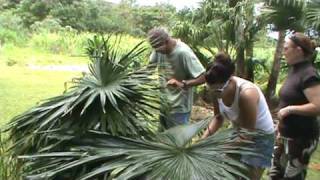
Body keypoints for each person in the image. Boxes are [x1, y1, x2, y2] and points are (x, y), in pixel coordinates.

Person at [202, 52, 275, 180]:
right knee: (229, 173)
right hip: (238, 130)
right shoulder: (216, 89)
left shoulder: (247, 94)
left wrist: (218, 148)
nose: (215, 95)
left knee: (248, 175)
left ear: (229, 81)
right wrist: (203, 141)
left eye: (218, 91)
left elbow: (247, 134)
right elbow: (218, 118)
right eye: (211, 90)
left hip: (259, 136)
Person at [269, 32, 320, 180]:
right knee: (275, 175)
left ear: (298, 50)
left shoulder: (309, 74)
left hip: (301, 138)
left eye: (286, 48)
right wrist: (280, 127)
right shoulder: (295, 71)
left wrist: (290, 110)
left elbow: (317, 106)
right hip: (286, 136)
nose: (283, 52)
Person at [147, 27, 206, 129]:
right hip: (164, 106)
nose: (157, 52)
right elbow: (149, 70)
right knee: (162, 141)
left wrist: (182, 84)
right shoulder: (158, 50)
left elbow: (203, 77)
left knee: (177, 143)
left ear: (166, 41)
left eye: (158, 49)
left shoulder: (183, 53)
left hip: (179, 109)